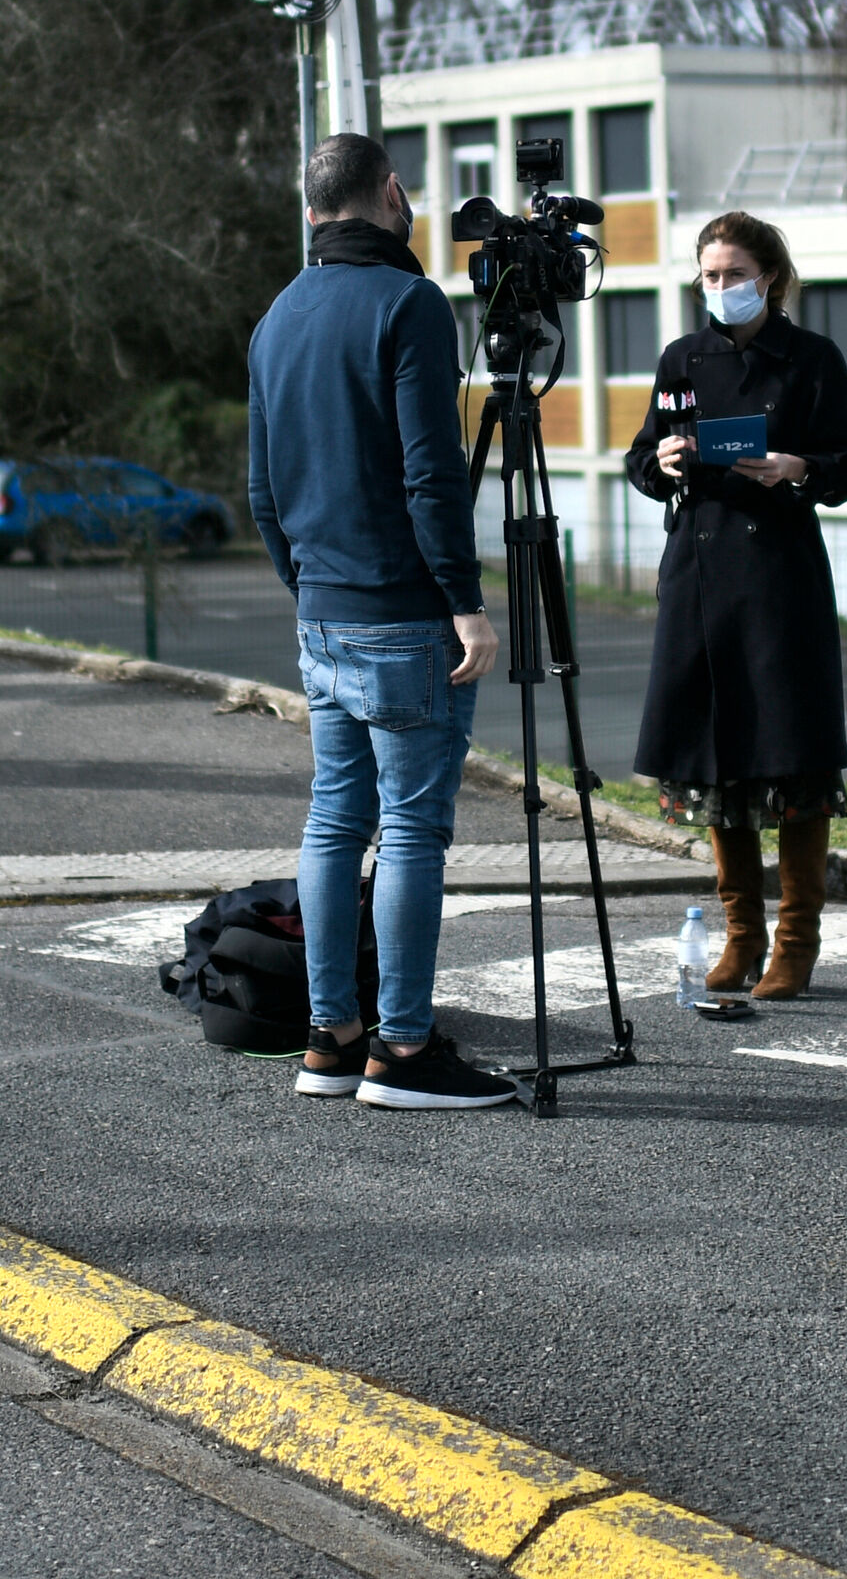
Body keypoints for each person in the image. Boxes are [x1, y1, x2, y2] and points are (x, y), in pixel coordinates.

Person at [246, 132, 516, 1111]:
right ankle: (403, 1050)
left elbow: (262, 489)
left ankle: (331, 1038)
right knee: (409, 830)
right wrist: (465, 603)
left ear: (311, 209)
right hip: (404, 612)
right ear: (391, 194)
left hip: (323, 611)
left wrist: (308, 586)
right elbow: (430, 473)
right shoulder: (411, 304)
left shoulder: (276, 317)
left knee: (334, 822)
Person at [627, 210, 847, 1001]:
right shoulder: (682, 357)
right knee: (716, 757)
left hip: (780, 581)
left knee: (794, 755)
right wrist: (662, 461)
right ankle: (741, 935)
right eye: (710, 275)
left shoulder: (813, 358)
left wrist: (797, 467)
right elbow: (641, 456)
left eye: (734, 274)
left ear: (770, 277)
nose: (721, 286)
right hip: (699, 578)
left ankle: (796, 943)